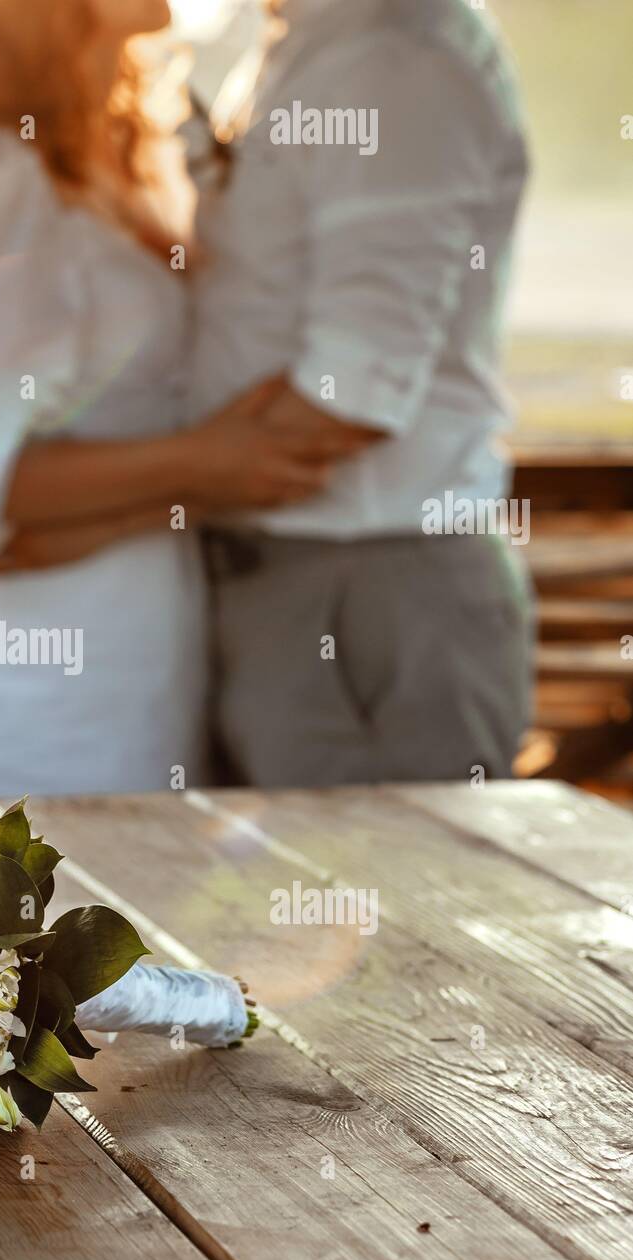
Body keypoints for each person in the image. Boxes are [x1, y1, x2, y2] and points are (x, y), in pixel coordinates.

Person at [0, 0, 354, 798]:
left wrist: (183, 488)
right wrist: (201, 463)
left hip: (133, 659)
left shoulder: (120, 158)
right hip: (21, 682)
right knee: (37, 916)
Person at [189, 0, 534, 787]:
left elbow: (352, 394)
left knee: (388, 898)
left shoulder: (392, 59)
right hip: (309, 577)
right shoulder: (309, 40)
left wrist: (82, 498)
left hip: (366, 594)